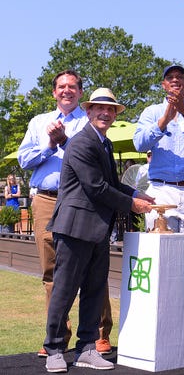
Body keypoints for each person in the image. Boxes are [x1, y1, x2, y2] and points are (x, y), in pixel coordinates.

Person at [42, 88, 154, 373]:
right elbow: (95, 187)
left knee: (94, 291)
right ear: (89, 111)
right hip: (74, 228)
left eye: (111, 110)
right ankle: (54, 348)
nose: (105, 113)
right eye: (99, 109)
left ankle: (87, 348)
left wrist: (139, 196)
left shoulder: (104, 144)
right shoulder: (82, 143)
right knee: (64, 292)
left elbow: (112, 184)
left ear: (115, 115)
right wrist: (132, 204)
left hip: (98, 230)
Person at [17, 70, 115, 357]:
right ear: (54, 92)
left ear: (81, 93)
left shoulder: (93, 119)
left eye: (73, 86)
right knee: (52, 272)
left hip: (86, 203)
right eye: (61, 86)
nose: (67, 91)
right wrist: (49, 144)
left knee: (94, 270)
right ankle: (56, 335)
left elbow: (91, 159)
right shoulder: (38, 122)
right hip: (47, 200)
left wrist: (65, 141)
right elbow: (24, 159)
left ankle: (99, 334)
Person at [134, 64, 184, 339]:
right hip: (161, 190)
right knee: (160, 257)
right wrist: (165, 119)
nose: (175, 82)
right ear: (163, 85)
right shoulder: (151, 112)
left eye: (179, 78)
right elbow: (139, 143)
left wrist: (183, 112)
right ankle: (162, 324)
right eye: (170, 79)